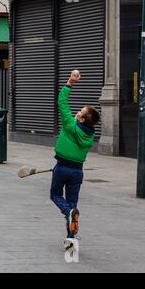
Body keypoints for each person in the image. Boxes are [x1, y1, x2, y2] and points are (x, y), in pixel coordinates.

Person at [50, 70, 100, 239]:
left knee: (55, 195)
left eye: (80, 111)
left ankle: (68, 212)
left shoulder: (70, 124)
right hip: (77, 171)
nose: (77, 111)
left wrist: (70, 83)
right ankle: (70, 238)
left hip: (62, 167)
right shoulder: (90, 135)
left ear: (82, 119)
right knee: (73, 203)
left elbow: (62, 102)